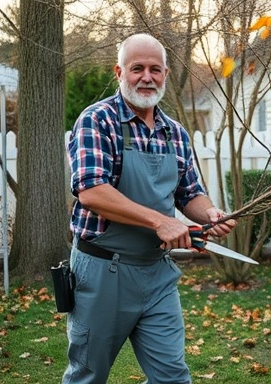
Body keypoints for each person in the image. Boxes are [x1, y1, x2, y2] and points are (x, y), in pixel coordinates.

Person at [63, 33, 236, 384]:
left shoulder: (175, 133)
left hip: (157, 274)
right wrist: (160, 221)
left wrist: (211, 215)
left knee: (172, 376)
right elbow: (91, 191)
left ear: (166, 74)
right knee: (87, 375)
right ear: (119, 72)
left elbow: (190, 194)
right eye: (137, 68)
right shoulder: (97, 120)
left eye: (155, 69)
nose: (147, 76)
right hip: (102, 272)